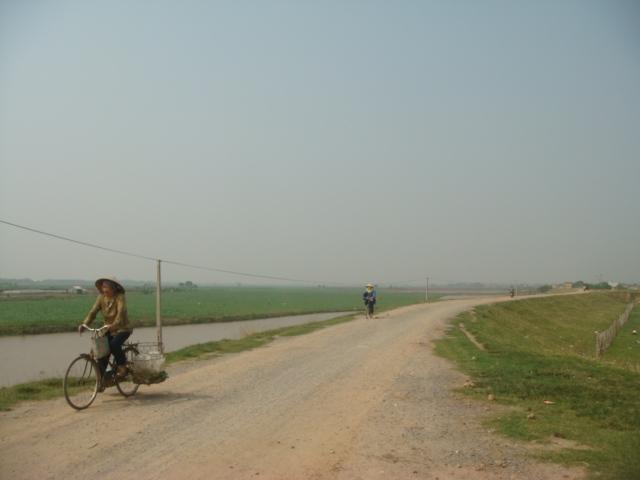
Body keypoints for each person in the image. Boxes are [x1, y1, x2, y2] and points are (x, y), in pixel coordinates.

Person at [79, 277, 133, 382]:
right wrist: (84, 324)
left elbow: (121, 313)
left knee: (114, 345)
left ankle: (122, 366)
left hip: (122, 328)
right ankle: (103, 378)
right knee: (101, 350)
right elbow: (93, 312)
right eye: (103, 287)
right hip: (107, 328)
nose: (104, 290)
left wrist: (115, 324)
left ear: (113, 288)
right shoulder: (101, 298)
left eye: (106, 287)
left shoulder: (120, 297)